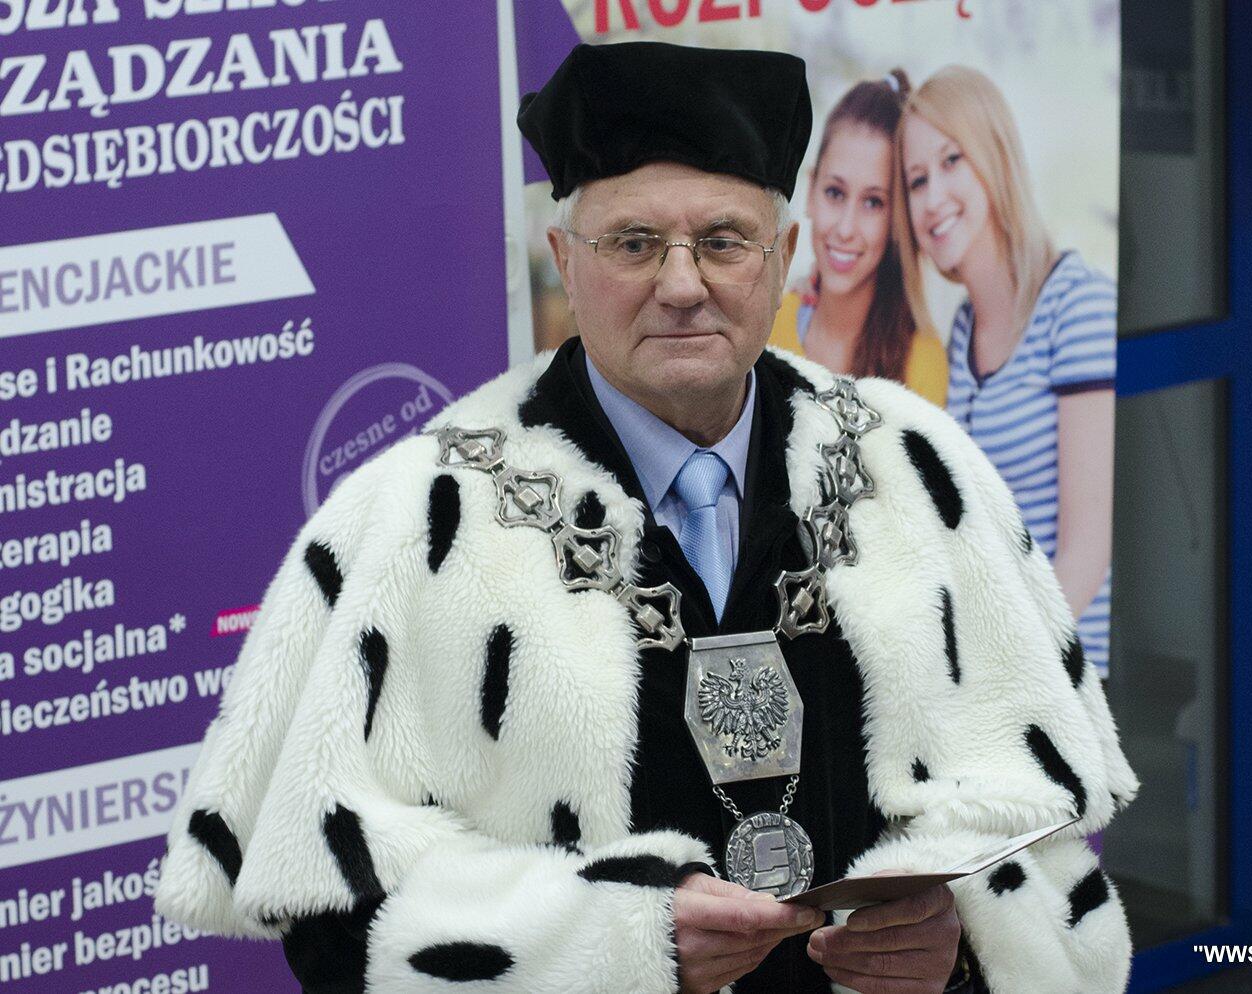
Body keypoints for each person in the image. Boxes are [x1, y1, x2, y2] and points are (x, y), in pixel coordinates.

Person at [154, 42, 1137, 994]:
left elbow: (1052, 840)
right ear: (563, 259)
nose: (680, 284)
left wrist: (962, 949)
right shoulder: (421, 519)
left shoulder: (916, 476)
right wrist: (601, 949)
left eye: (722, 241)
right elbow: (333, 926)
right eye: (631, 244)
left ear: (783, 258)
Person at [895, 65, 1117, 679]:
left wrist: (997, 670)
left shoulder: (1077, 305)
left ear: (995, 156)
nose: (933, 197)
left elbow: (1087, 552)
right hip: (997, 675)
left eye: (952, 161)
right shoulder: (963, 330)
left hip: (1066, 679)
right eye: (917, 180)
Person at [769, 72, 947, 407]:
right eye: (835, 193)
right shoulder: (766, 328)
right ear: (811, 190)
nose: (846, 228)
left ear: (897, 220)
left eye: (873, 202)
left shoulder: (923, 362)